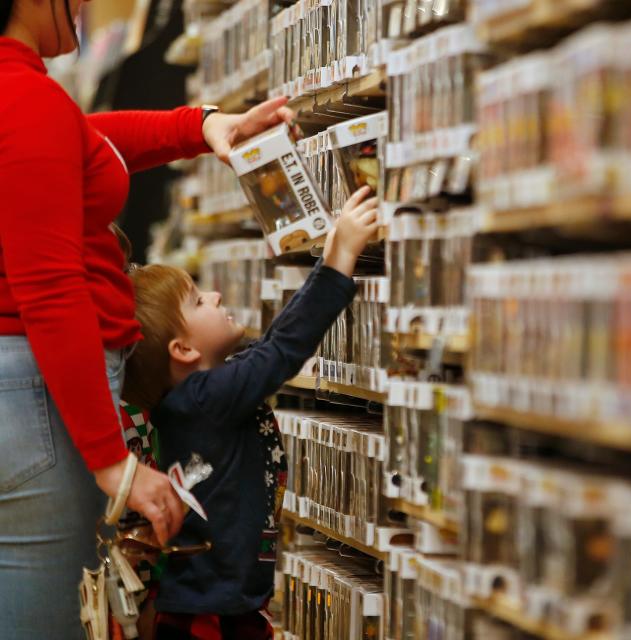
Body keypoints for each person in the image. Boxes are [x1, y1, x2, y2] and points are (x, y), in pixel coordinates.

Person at [0, 0, 299, 635]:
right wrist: (113, 461)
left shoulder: (28, 98)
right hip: (36, 397)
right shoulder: (22, 96)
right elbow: (51, 289)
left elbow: (85, 142)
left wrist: (205, 125)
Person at [122, 187, 379, 639]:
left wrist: (331, 257)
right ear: (181, 350)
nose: (217, 296)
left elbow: (267, 348)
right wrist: (340, 260)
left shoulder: (199, 397)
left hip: (215, 602)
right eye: (198, 301)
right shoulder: (206, 400)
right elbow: (280, 351)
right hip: (211, 616)